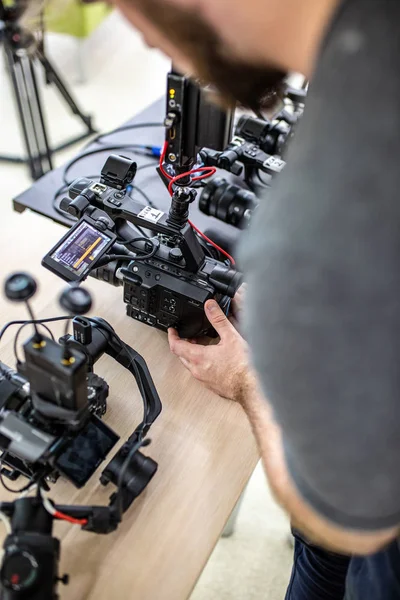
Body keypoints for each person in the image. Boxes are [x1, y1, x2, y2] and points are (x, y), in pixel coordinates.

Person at [109, 0, 400, 597]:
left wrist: (247, 378)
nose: (138, 37)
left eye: (125, 6)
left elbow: (347, 517)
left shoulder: (314, 225)